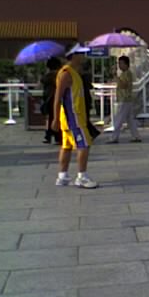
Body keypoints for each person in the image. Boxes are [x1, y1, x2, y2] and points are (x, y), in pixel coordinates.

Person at [52, 43, 98, 188]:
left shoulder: (73, 72)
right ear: (74, 55)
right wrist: (55, 119)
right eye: (81, 54)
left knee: (66, 146)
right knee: (84, 145)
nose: (83, 56)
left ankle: (63, 176)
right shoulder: (66, 73)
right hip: (73, 117)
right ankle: (82, 176)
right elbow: (57, 97)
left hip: (72, 117)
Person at [108, 55, 141, 143]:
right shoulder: (124, 74)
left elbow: (123, 85)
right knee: (130, 119)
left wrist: (116, 76)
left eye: (121, 63)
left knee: (119, 119)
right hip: (126, 99)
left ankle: (114, 137)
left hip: (124, 99)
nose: (119, 65)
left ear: (126, 64)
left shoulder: (127, 74)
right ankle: (136, 136)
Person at [41, 56, 62, 144]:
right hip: (56, 98)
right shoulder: (59, 74)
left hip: (48, 98)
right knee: (57, 117)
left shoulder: (47, 76)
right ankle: (57, 137)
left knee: (50, 117)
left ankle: (48, 136)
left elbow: (42, 81)